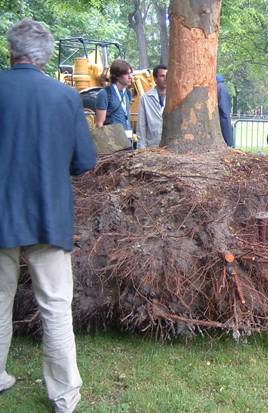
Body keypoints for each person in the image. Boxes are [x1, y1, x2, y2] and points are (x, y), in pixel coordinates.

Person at [0, 19, 96, 413]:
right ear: (44, 57)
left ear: (11, 51)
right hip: (48, 214)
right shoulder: (66, 96)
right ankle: (64, 395)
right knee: (55, 305)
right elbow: (84, 162)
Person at [95, 58, 134, 146]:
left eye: (130, 73)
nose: (130, 77)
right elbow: (99, 123)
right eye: (127, 74)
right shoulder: (104, 94)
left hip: (127, 140)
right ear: (117, 76)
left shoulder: (128, 93)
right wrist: (105, 145)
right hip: (112, 143)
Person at [136, 64, 167, 148]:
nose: (166, 79)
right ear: (155, 78)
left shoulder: (174, 97)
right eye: (162, 76)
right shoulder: (145, 99)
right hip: (152, 146)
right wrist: (141, 149)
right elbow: (141, 126)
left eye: (167, 76)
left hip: (170, 146)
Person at [216, 74, 234, 147]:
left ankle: (229, 143)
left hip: (223, 124)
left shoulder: (220, 87)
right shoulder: (221, 87)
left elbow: (224, 111)